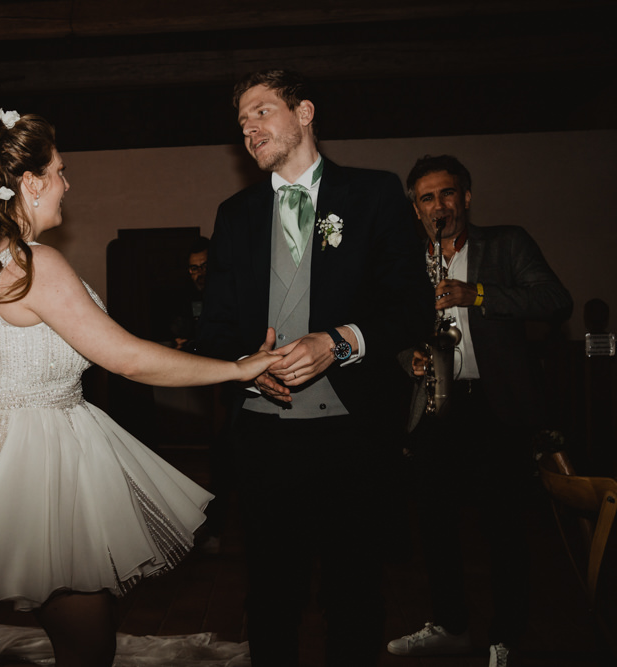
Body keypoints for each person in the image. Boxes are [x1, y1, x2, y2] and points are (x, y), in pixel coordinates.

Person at [0, 111, 283, 667]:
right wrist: (238, 369)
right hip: (40, 460)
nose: (67, 184)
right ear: (30, 181)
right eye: (60, 171)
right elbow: (127, 358)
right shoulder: (33, 264)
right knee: (88, 644)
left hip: (19, 447)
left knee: (88, 630)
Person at [193, 69, 432, 666]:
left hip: (355, 429)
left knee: (355, 592)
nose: (249, 129)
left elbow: (413, 307)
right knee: (271, 594)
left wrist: (342, 341)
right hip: (263, 434)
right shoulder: (236, 213)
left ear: (304, 112)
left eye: (261, 112)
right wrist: (245, 367)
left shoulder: (374, 194)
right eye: (241, 122)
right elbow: (214, 325)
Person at [387, 155, 572, 667]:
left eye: (447, 193)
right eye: (426, 198)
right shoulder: (407, 261)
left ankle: (505, 636)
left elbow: (556, 300)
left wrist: (479, 294)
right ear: (416, 209)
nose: (438, 206)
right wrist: (410, 357)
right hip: (435, 403)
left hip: (495, 405)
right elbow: (395, 329)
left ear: (465, 198)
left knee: (503, 527)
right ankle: (451, 626)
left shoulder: (506, 243)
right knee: (435, 525)